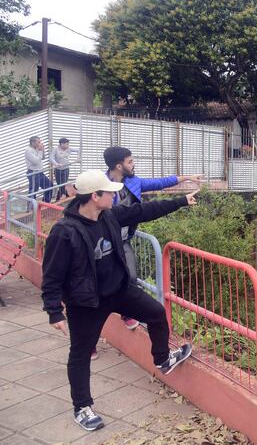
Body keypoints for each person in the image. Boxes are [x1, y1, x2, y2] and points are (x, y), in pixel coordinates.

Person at [41, 170, 197, 432]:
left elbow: (143, 211)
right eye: (110, 193)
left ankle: (162, 359)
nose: (115, 196)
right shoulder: (65, 232)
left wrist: (181, 201)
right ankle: (82, 407)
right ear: (95, 196)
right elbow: (52, 275)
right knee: (80, 354)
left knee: (156, 312)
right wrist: (54, 311)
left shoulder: (109, 215)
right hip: (87, 302)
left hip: (119, 291)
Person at [93, 146, 201, 358]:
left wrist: (186, 178)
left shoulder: (134, 182)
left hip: (123, 241)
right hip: (102, 244)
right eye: (130, 161)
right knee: (98, 298)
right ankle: (89, 342)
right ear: (119, 166)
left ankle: (127, 313)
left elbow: (160, 183)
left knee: (130, 279)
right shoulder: (101, 186)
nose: (133, 164)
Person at [24, 136, 52, 203]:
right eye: (38, 142)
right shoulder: (28, 150)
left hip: (40, 172)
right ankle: (30, 206)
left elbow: (43, 158)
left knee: (49, 185)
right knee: (33, 190)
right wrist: (40, 151)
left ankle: (45, 203)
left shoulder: (36, 149)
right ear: (33, 142)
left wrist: (42, 150)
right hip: (33, 172)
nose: (40, 143)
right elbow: (35, 161)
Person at [52, 137, 79, 202]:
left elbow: (78, 150)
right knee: (60, 184)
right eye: (66, 144)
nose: (68, 145)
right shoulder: (55, 149)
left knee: (63, 184)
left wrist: (78, 158)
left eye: (68, 144)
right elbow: (51, 158)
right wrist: (56, 164)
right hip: (58, 169)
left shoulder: (69, 149)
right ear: (61, 144)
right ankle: (63, 196)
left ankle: (59, 198)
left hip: (66, 169)